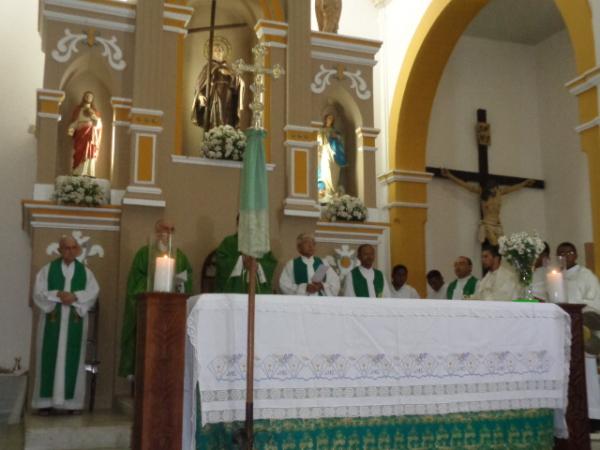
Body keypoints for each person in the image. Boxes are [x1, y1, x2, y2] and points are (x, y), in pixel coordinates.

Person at [31, 236, 99, 413]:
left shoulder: (86, 273)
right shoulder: (48, 270)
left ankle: (72, 404)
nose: (69, 251)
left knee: (73, 360)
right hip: (52, 323)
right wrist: (58, 294)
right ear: (59, 250)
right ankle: (45, 403)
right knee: (49, 357)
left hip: (74, 322)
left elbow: (93, 292)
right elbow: (38, 293)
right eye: (66, 248)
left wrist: (75, 297)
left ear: (78, 250)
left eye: (73, 248)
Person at [118, 220, 193, 379]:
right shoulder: (144, 254)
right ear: (157, 231)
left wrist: (179, 281)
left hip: (172, 310)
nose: (167, 233)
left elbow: (188, 279)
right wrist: (152, 284)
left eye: (171, 229)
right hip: (150, 309)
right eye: (164, 229)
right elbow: (135, 281)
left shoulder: (180, 256)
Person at [556, 242, 600, 422]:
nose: (564, 256)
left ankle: (594, 414)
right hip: (563, 331)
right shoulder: (556, 277)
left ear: (575, 255)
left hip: (583, 329)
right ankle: (572, 413)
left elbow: (596, 301)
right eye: (560, 254)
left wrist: (574, 304)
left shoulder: (586, 276)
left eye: (568, 253)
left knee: (587, 373)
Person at [441, 168, 535, 246]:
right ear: (490, 187)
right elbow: (465, 185)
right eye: (494, 187)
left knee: (502, 247)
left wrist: (525, 183)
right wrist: (450, 176)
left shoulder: (499, 193)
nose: (496, 189)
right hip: (488, 224)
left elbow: (513, 188)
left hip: (498, 224)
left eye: (496, 187)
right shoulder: (482, 193)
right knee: (494, 245)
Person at [191, 38, 243, 130]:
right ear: (211, 54)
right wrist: (200, 96)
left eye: (220, 50)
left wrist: (231, 75)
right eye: (216, 51)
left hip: (228, 98)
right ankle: (214, 136)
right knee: (215, 117)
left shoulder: (229, 68)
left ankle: (228, 135)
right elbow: (199, 85)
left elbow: (237, 84)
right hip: (214, 96)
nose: (219, 52)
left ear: (224, 53)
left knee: (227, 119)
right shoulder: (208, 67)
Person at [215, 216, 277, 294]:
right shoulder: (229, 242)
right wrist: (241, 261)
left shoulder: (261, 244)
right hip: (234, 289)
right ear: (238, 224)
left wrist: (257, 266)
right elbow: (222, 262)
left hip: (257, 291)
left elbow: (270, 263)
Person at [67, 91, 102, 177]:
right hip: (80, 132)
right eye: (87, 96)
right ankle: (77, 171)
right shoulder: (78, 110)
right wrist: (71, 129)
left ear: (92, 99)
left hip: (90, 133)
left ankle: (89, 172)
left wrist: (94, 117)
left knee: (90, 150)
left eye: (90, 96)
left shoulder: (94, 111)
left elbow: (98, 124)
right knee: (79, 151)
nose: (88, 98)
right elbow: (75, 122)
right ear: (84, 97)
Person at [317, 113, 347, 200]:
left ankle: (333, 190)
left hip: (334, 153)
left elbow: (341, 142)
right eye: (329, 118)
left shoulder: (335, 132)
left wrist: (336, 137)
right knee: (326, 169)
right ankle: (326, 190)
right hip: (325, 151)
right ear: (325, 119)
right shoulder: (321, 130)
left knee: (334, 171)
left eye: (332, 119)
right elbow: (318, 141)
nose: (330, 120)